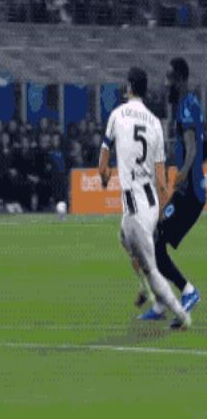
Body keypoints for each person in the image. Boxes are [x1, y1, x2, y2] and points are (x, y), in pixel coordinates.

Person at [99, 67, 191, 330]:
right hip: (150, 204)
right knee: (124, 238)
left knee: (151, 267)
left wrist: (105, 177)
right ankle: (147, 290)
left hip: (135, 206)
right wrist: (160, 214)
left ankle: (180, 313)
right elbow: (161, 178)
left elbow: (102, 165)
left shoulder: (117, 115)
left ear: (129, 87)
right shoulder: (155, 123)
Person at [139, 57, 203, 320]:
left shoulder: (186, 107)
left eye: (170, 78)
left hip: (189, 193)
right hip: (190, 190)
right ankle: (162, 303)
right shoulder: (191, 104)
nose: (166, 84)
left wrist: (185, 172)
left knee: (155, 243)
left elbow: (193, 147)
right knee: (154, 239)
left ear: (181, 79)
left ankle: (188, 291)